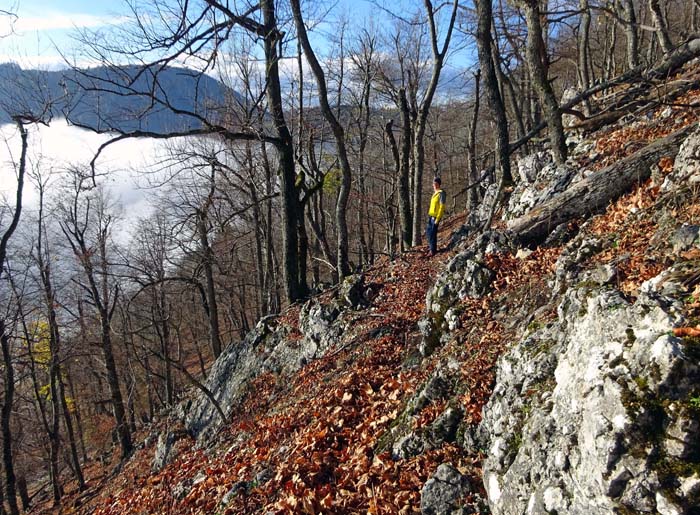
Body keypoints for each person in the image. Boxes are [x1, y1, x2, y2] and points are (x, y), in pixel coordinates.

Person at [426, 177, 446, 257]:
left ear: (438, 184)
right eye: (433, 184)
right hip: (430, 216)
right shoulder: (435, 193)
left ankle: (433, 250)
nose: (434, 185)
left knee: (432, 233)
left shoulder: (441, 193)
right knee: (429, 232)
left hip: (435, 217)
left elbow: (442, 207)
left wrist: (438, 218)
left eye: (435, 184)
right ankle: (431, 247)